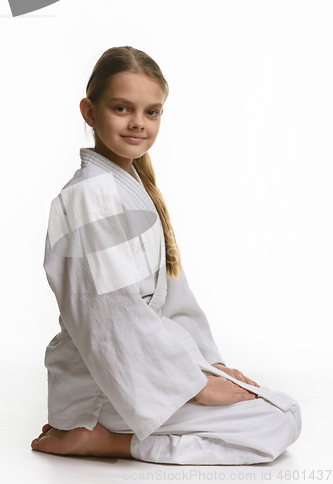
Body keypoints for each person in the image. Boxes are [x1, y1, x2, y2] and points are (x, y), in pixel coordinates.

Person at [31, 46, 301, 465]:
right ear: (89, 111)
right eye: (122, 108)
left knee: (279, 406)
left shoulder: (131, 189)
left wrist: (209, 365)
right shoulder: (90, 196)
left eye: (152, 112)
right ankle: (105, 440)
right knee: (278, 419)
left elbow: (173, 298)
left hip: (149, 370)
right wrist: (195, 385)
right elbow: (110, 317)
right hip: (110, 385)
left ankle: (106, 434)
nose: (138, 122)